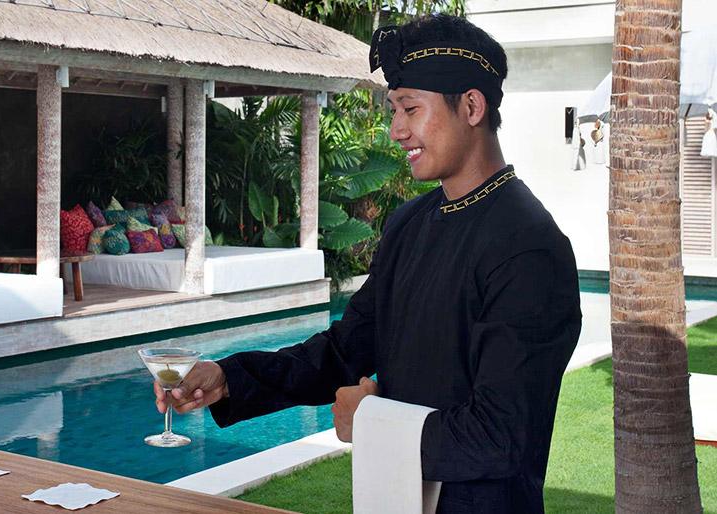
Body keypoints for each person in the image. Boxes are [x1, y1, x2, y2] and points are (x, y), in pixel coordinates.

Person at [152, 14, 581, 514]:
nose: (397, 130)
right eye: (394, 110)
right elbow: (345, 349)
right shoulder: (410, 223)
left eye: (411, 109)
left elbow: (502, 436)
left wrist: (372, 422)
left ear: (471, 106)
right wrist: (229, 377)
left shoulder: (529, 248)